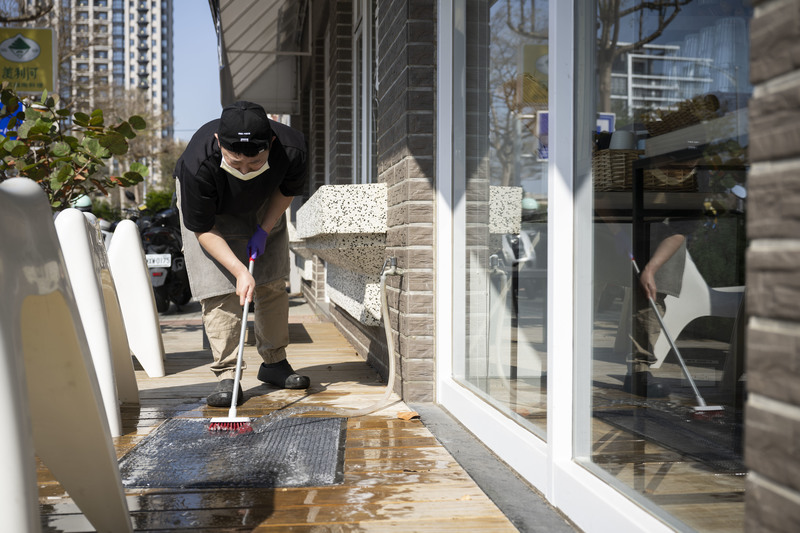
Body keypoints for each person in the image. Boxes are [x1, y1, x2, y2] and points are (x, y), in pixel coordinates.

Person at [174, 101, 310, 408]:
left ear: (271, 144)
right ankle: (227, 375)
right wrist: (238, 270)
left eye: (255, 162)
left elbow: (286, 190)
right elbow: (204, 229)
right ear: (220, 143)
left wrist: (263, 229)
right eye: (236, 163)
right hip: (213, 214)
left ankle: (274, 364)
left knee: (272, 280)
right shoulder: (197, 164)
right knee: (218, 288)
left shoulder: (291, 148)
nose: (245, 170)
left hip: (264, 203)